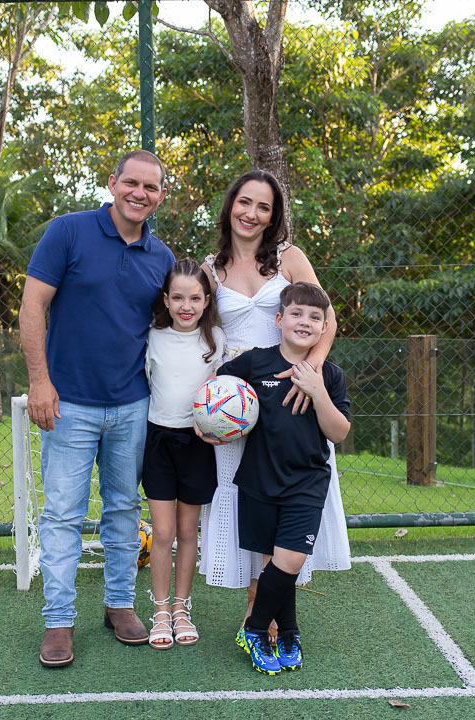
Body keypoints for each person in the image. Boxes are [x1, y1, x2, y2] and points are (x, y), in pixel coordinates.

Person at [20, 150, 175, 668]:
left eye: (151, 187)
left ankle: (119, 605)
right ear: (112, 183)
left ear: (161, 196)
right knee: (62, 514)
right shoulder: (68, 231)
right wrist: (40, 383)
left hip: (133, 405)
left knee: (124, 510)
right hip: (68, 405)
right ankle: (59, 620)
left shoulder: (163, 258)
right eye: (131, 182)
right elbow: (32, 306)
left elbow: (178, 327)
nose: (140, 193)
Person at [198, 169, 352, 619]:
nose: (252, 213)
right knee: (246, 494)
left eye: (263, 207)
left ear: (273, 216)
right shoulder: (211, 267)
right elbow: (195, 326)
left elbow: (328, 317)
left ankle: (272, 606)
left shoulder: (288, 256)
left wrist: (311, 373)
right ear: (230, 206)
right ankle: (253, 604)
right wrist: (205, 407)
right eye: (245, 202)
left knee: (288, 492)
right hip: (236, 397)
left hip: (290, 392)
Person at [218, 282, 351, 674]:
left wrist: (317, 390)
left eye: (315, 317)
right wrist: (212, 421)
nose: (305, 322)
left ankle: (255, 628)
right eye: (296, 313)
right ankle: (289, 631)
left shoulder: (331, 374)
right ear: (279, 320)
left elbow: (339, 432)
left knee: (291, 558)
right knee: (276, 564)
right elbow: (218, 392)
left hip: (307, 485)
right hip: (259, 481)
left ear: (325, 327)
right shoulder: (255, 362)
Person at [141, 259, 226, 649]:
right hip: (159, 440)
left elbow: (225, 393)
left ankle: (181, 608)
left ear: (207, 300)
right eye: (178, 297)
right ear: (166, 299)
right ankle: (159, 610)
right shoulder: (152, 336)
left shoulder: (216, 342)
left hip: (198, 444)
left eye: (194, 297)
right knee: (163, 531)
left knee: (189, 531)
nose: (186, 305)